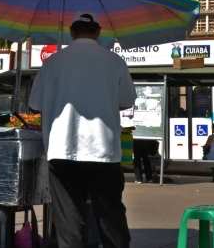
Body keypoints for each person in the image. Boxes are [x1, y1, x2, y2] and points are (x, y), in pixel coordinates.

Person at [29, 14, 136, 248]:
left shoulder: (52, 63)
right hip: (103, 151)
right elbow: (127, 100)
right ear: (97, 32)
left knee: (69, 223)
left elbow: (35, 104)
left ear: (72, 32)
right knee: (110, 219)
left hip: (62, 151)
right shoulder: (114, 61)